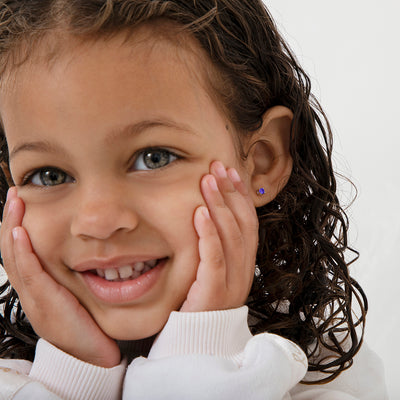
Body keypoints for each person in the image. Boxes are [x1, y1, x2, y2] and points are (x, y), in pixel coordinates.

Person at [0, 0, 387, 399]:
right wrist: (74, 371)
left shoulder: (331, 382)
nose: (97, 221)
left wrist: (199, 351)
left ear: (261, 161)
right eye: (49, 175)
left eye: (154, 158)